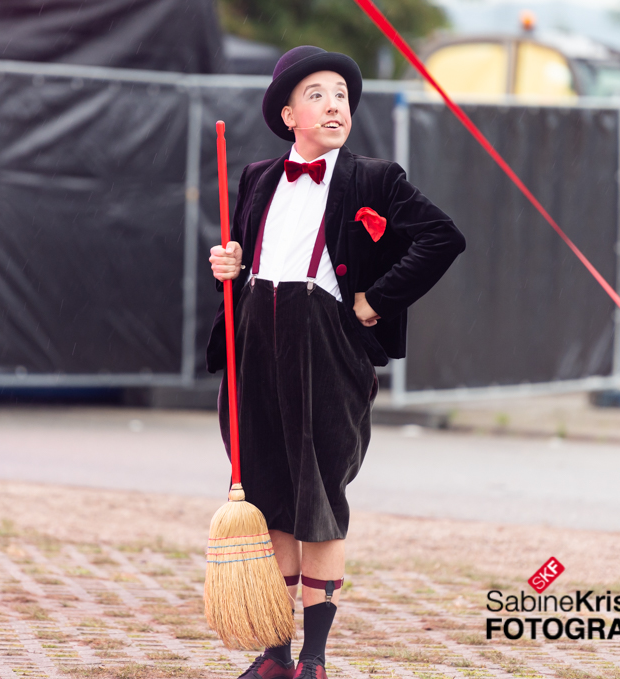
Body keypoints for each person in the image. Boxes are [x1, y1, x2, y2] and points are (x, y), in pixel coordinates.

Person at [206, 46, 466, 679]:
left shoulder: (374, 178)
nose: (334, 106)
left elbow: (443, 237)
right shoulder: (258, 177)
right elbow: (252, 252)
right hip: (256, 337)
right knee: (267, 493)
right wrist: (229, 267)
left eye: (343, 97)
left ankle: (314, 658)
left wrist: (375, 301)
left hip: (326, 342)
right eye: (318, 95)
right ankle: (274, 651)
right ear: (289, 113)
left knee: (318, 493)